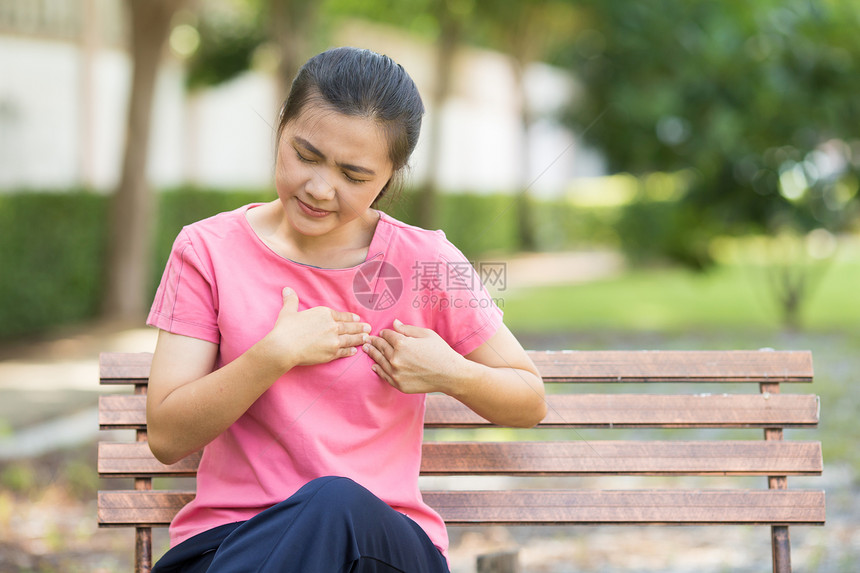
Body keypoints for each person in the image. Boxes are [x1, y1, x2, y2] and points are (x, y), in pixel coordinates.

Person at [146, 46, 546, 572]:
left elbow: (529, 398)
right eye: (305, 155)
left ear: (389, 177)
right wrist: (273, 355)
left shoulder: (425, 261)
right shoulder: (208, 250)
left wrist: (451, 372)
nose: (318, 188)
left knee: (335, 502)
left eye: (353, 175)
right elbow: (167, 437)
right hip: (232, 546)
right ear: (281, 128)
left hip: (379, 550)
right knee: (321, 511)